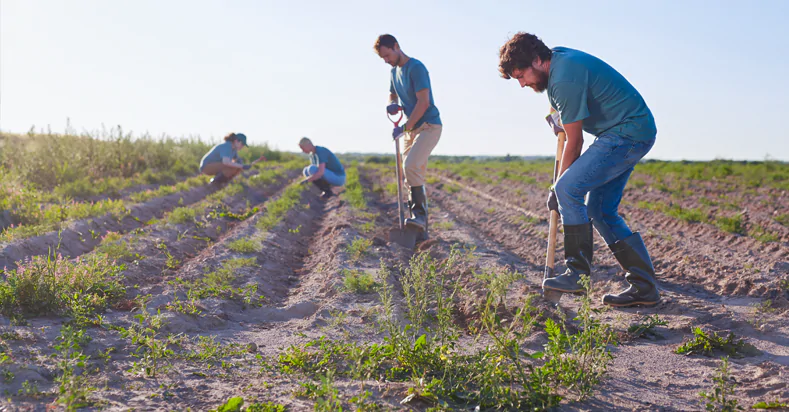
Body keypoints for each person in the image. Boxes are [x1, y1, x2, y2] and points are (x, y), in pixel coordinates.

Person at [498, 33, 660, 307]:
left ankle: (576, 274)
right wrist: (556, 117)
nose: (522, 84)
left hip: (625, 134)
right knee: (600, 211)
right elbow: (562, 106)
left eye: (521, 76)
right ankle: (645, 289)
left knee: (567, 188)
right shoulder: (558, 61)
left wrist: (558, 188)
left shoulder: (563, 79)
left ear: (536, 60)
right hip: (632, 131)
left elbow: (575, 143)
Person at [374, 34, 442, 233]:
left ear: (396, 46)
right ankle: (419, 226)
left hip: (429, 125)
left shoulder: (416, 68)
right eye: (383, 58)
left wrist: (404, 127)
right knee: (411, 174)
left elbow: (424, 103)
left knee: (410, 165)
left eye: (387, 55)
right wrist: (392, 104)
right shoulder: (394, 72)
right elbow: (392, 93)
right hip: (412, 128)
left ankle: (419, 216)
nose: (386, 60)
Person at [199, 133, 264, 185]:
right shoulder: (227, 146)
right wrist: (242, 166)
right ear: (236, 141)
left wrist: (246, 165)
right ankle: (215, 182)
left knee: (237, 166)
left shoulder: (234, 149)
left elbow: (238, 161)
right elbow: (226, 162)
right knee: (234, 166)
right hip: (206, 166)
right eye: (242, 144)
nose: (242, 146)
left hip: (215, 165)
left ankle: (223, 182)